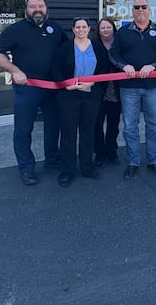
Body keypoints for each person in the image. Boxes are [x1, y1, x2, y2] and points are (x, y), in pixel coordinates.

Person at [0, 0, 67, 186]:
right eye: (33, 6)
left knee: (53, 126)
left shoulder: (55, 29)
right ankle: (26, 168)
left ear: (46, 8)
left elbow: (67, 51)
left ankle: (52, 159)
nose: (37, 9)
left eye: (40, 6)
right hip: (27, 88)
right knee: (23, 129)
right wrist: (15, 70)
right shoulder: (16, 30)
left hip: (53, 88)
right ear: (27, 9)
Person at [108, 0, 156, 179]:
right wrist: (123, 66)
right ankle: (133, 161)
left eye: (143, 6)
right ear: (132, 10)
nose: (140, 10)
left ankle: (154, 160)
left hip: (152, 86)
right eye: (136, 7)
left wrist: (155, 65)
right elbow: (113, 54)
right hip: (128, 87)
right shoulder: (123, 32)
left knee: (154, 125)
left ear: (149, 9)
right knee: (130, 127)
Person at [52, 17, 110, 188]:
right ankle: (67, 171)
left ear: (89, 29)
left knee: (88, 133)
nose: (81, 29)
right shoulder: (65, 48)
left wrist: (93, 82)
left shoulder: (97, 47)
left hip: (91, 96)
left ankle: (87, 168)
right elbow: (55, 69)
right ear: (73, 29)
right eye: (78, 27)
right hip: (69, 97)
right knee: (68, 134)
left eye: (84, 26)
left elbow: (104, 69)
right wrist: (65, 84)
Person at [93, 18, 122, 167]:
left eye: (108, 27)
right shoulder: (93, 44)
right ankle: (99, 152)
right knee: (97, 123)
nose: (105, 30)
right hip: (97, 89)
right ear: (98, 30)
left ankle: (112, 150)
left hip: (115, 89)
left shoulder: (119, 43)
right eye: (102, 28)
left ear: (113, 28)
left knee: (113, 123)